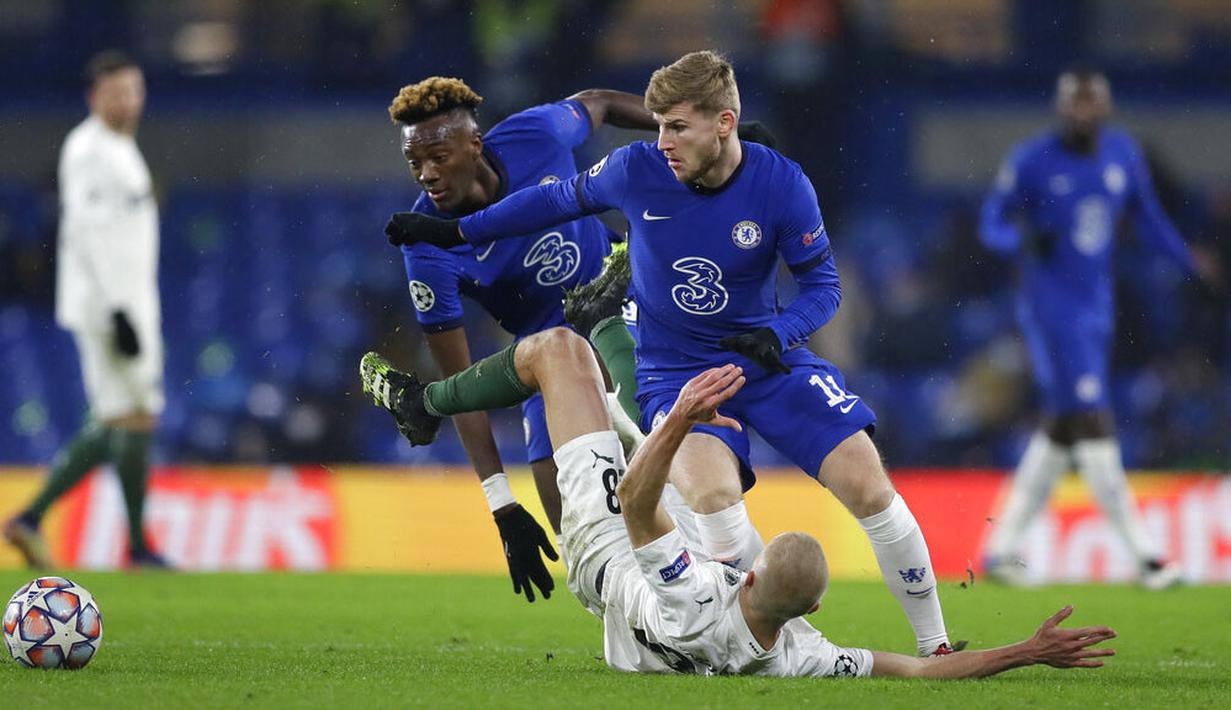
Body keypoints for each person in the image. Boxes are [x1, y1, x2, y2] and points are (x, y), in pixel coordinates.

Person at [380, 51, 959, 656]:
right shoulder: (635, 168)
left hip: (762, 356)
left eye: (676, 127)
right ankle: (776, 646)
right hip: (672, 371)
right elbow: (556, 199)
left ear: (725, 123)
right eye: (656, 125)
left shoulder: (782, 182)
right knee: (706, 499)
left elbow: (824, 286)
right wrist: (457, 233)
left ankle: (936, 644)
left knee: (869, 485)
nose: (661, 142)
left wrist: (780, 335)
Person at [358, 329, 1117, 677]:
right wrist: (1024, 653)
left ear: (750, 577)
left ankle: (426, 402)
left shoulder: (695, 594)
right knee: (658, 425)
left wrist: (682, 417)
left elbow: (632, 499)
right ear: (804, 613)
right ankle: (623, 335)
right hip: (657, 575)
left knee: (559, 351)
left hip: (606, 551)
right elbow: (919, 675)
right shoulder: (802, 658)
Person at [386, 76, 660, 603]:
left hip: (625, 294)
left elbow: (598, 102)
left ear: (475, 144)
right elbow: (460, 386)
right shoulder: (426, 247)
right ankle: (630, 616)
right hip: (546, 350)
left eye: (438, 157)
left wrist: (676, 125)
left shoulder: (535, 134)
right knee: (563, 512)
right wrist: (501, 506)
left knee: (641, 413)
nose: (427, 175)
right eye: (415, 164)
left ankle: (707, 573)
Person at [978, 68, 1213, 589]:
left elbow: (1148, 218)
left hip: (1096, 309)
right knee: (1092, 419)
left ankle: (1000, 550)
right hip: (1050, 311)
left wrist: (1190, 261)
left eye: (1092, 104)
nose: (1083, 112)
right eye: (1074, 103)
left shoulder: (1122, 155)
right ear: (1061, 107)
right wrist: (1020, 242)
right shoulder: (1032, 160)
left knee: (1063, 428)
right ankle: (1147, 557)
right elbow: (990, 222)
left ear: (1103, 108)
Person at [3, 51, 169, 569]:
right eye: (118, 93)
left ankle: (33, 519)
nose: (130, 102)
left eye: (136, 91)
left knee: (121, 417)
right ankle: (136, 546)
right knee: (134, 415)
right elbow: (92, 234)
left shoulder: (119, 149)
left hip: (127, 299)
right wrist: (120, 311)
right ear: (95, 98)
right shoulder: (89, 150)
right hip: (109, 304)